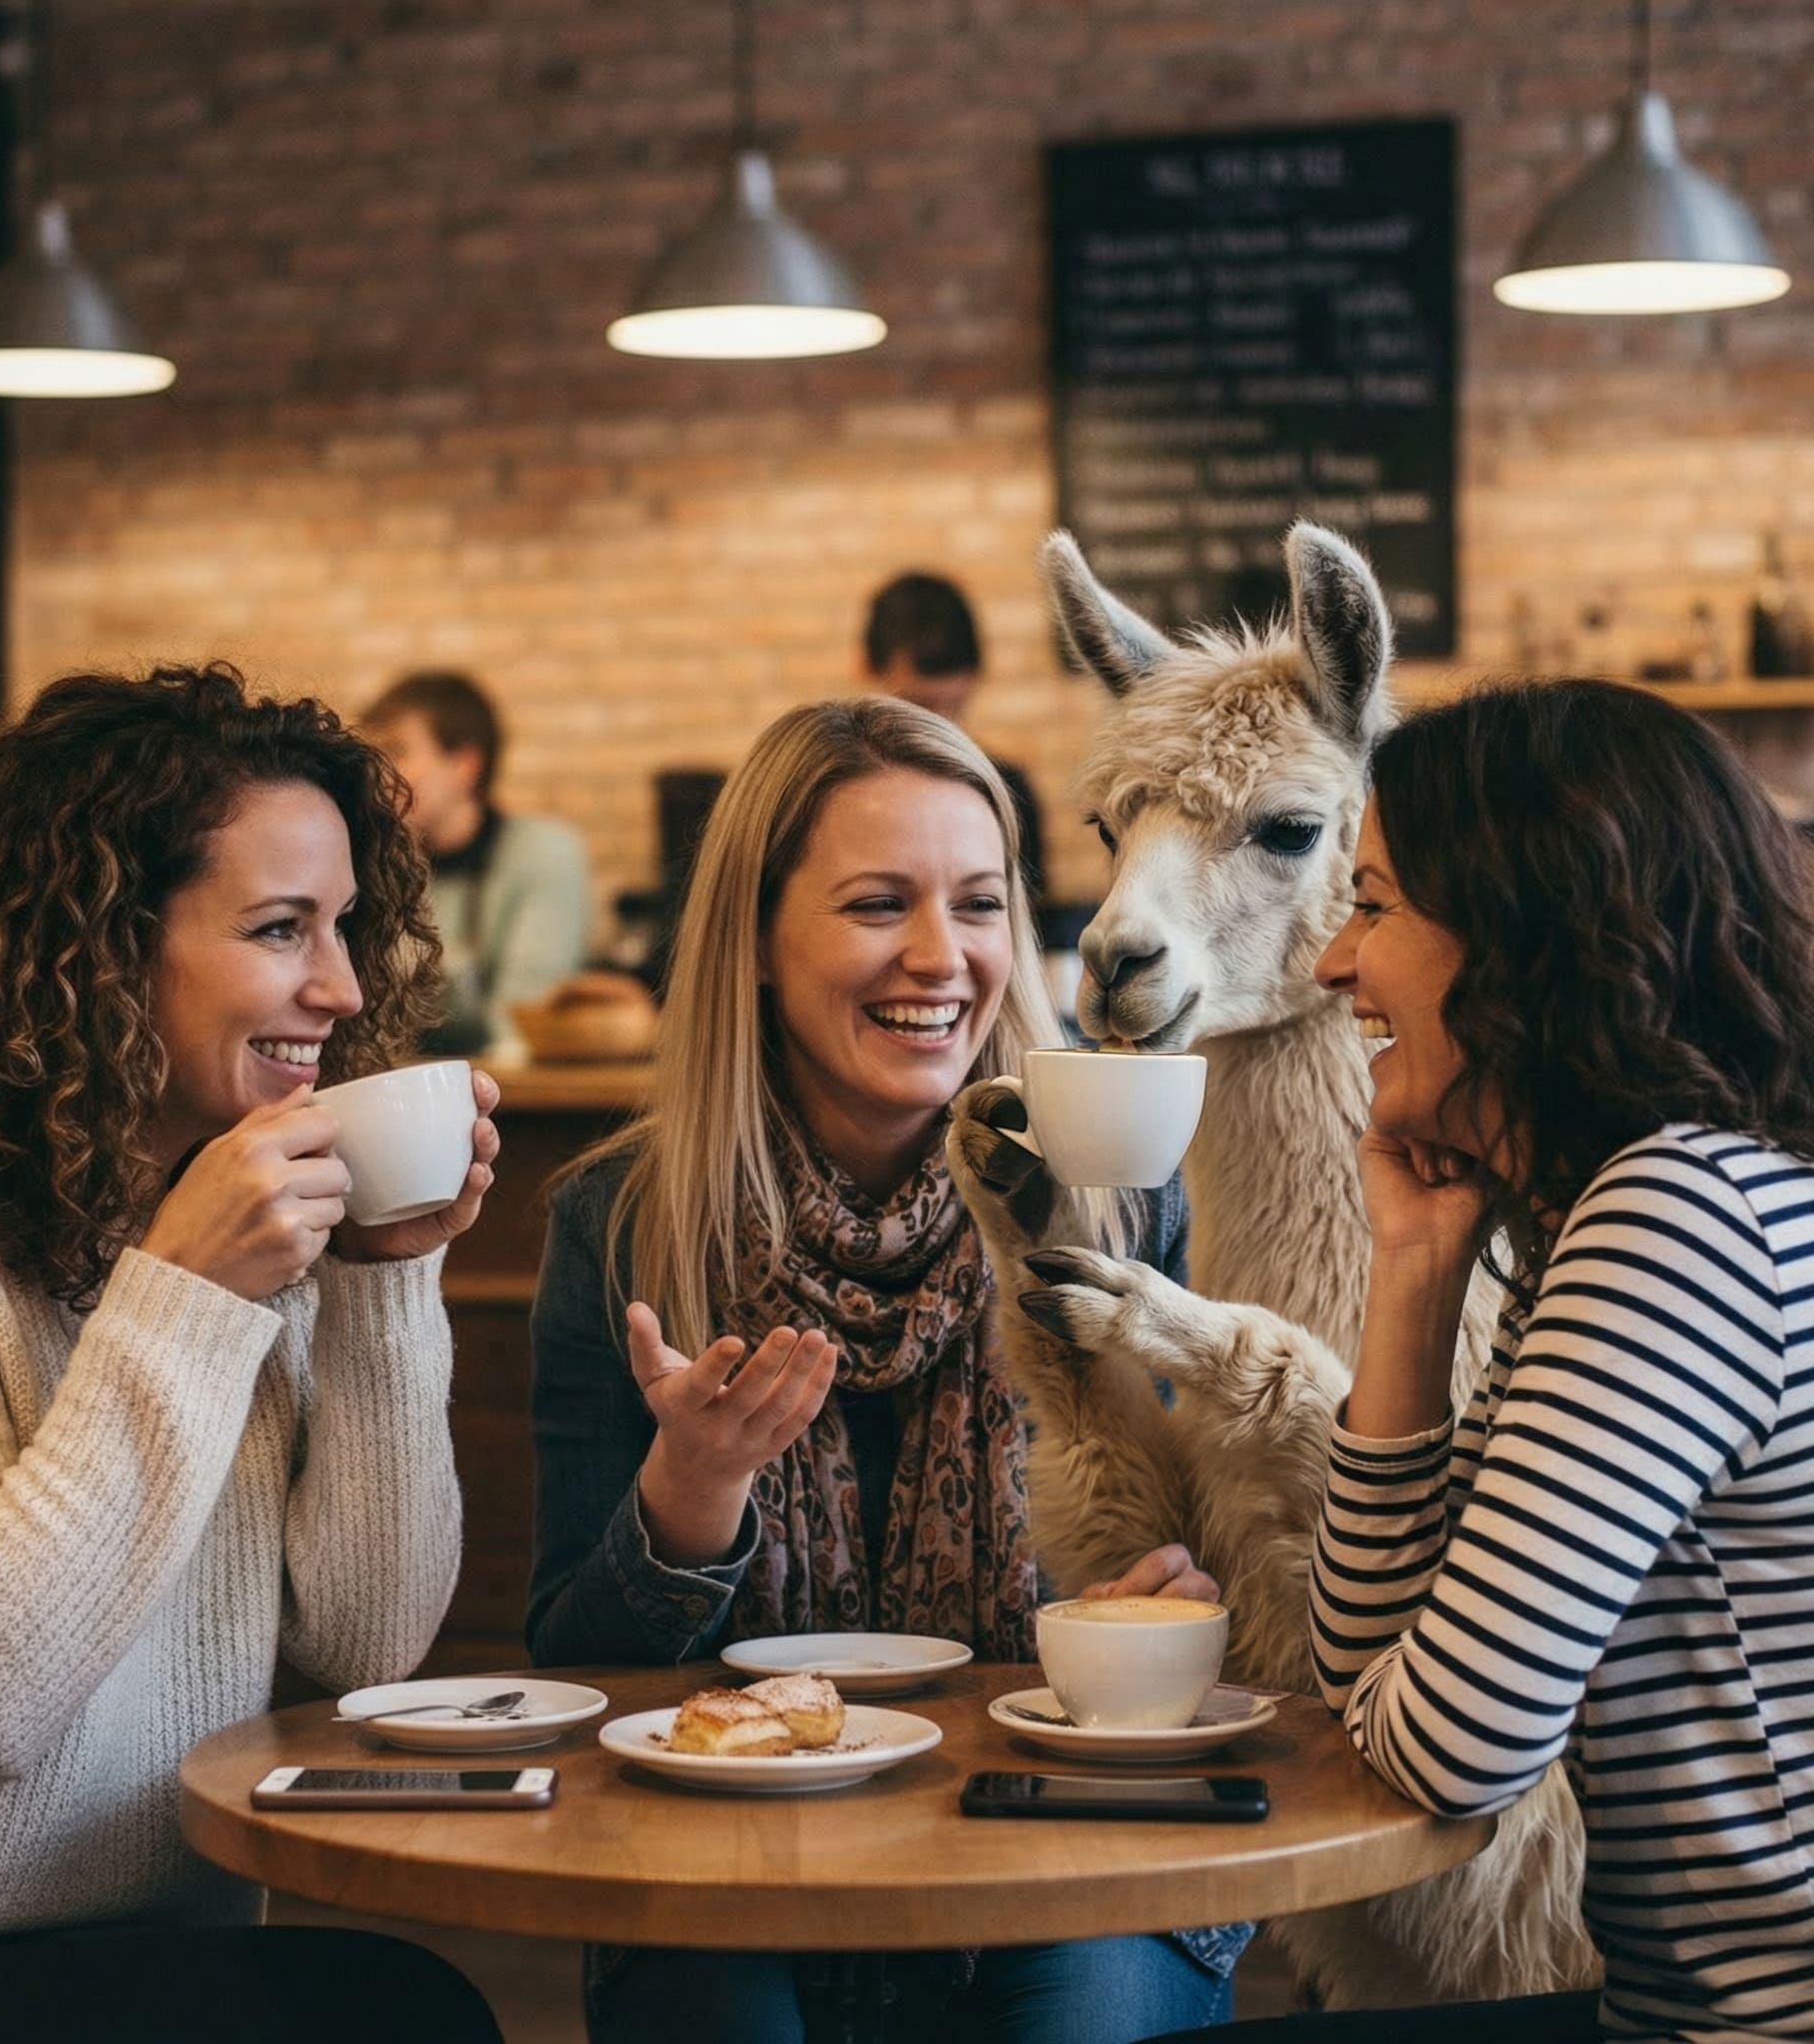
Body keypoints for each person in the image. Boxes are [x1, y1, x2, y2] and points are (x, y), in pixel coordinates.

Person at [0, 664, 501, 2017]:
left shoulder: (247, 1204)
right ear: (101, 945)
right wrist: (184, 1290)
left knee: (412, 2007)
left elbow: (367, 1643)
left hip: (161, 1943)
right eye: (280, 929)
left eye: (345, 926)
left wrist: (384, 1281)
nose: (343, 987)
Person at [527, 696, 1246, 2042]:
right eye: (875, 904)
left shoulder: (1122, 1199)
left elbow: (1223, 1580)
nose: (940, 955)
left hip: (1073, 1827)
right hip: (724, 1848)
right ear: (753, 941)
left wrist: (1164, 1606)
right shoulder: (622, 1222)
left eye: (978, 903)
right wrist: (690, 1496)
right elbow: (577, 1672)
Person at [1292, 679, 1814, 2042]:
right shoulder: (1647, 1203)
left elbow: (1450, 1748)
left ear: (1524, 927)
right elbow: (1363, 1671)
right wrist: (1414, 1271)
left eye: (1373, 905)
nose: (1332, 963)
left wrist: (1413, 1693)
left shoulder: (1674, 1218)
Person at [361, 669, 592, 1052]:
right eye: (375, 754)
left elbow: (520, 1019)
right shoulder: (380, 866)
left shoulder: (543, 853)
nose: (378, 773)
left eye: (397, 751)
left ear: (464, 765)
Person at [862, 570, 1047, 910]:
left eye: (952, 709)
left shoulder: (1007, 789)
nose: (938, 729)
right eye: (918, 707)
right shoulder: (848, 796)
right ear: (869, 669)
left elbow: (1028, 916)